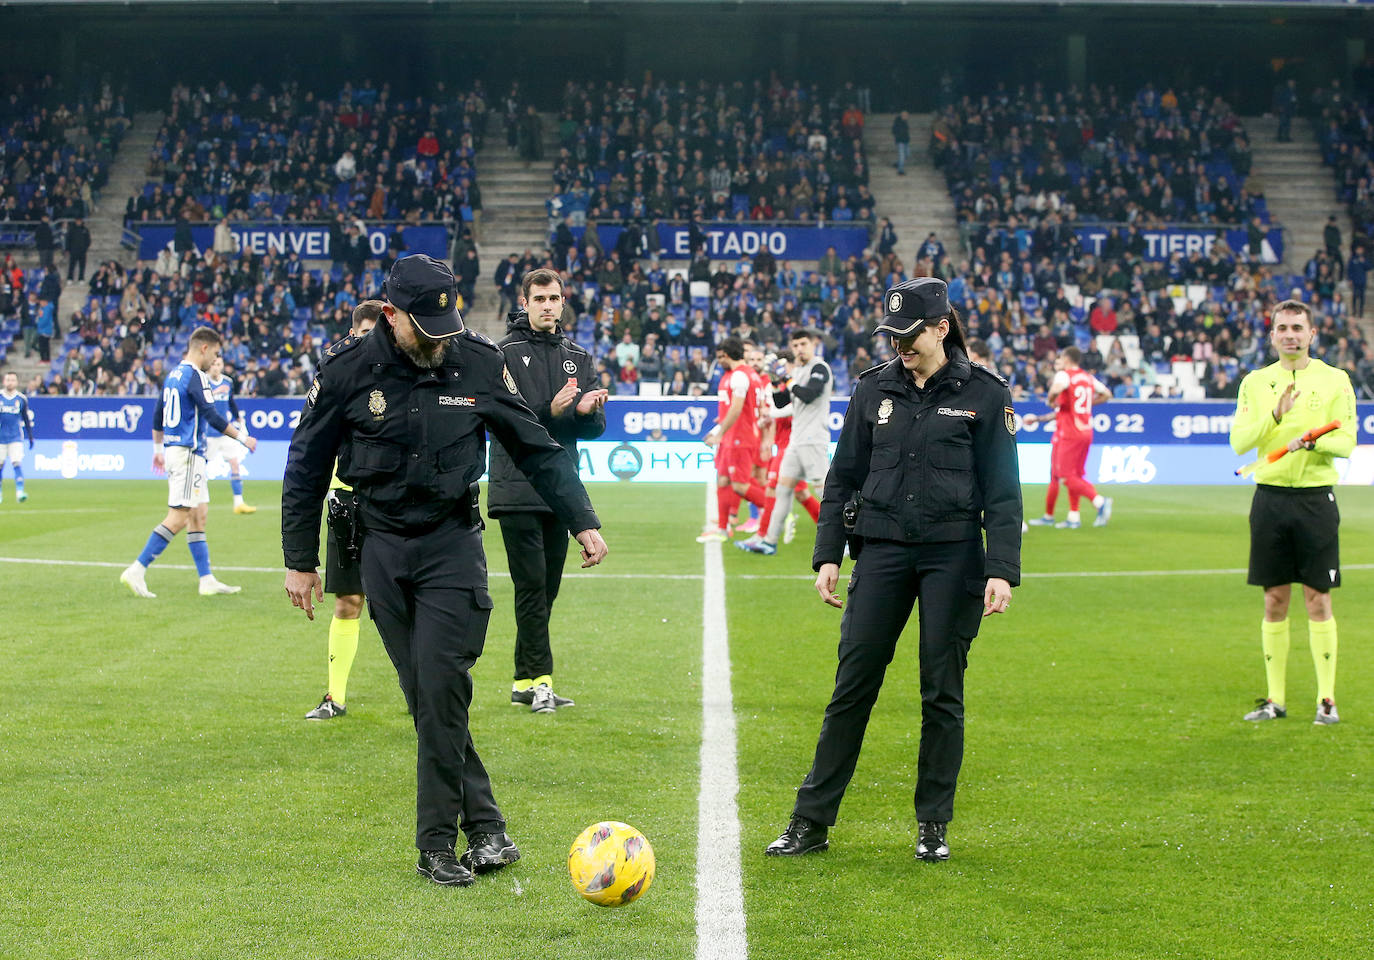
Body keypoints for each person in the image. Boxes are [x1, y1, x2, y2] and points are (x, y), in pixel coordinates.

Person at [281, 254, 608, 888]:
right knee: (432, 695)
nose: (438, 340)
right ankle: (485, 825)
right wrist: (301, 561)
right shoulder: (348, 371)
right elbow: (304, 466)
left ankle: (435, 843)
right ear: (391, 315)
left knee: (439, 682)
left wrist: (581, 517)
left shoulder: (479, 361)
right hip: (379, 545)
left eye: (446, 323)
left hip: (453, 542)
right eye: (423, 328)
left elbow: (534, 446)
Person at [766, 277, 1021, 863]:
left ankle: (933, 824)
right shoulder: (872, 388)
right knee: (851, 686)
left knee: (941, 692)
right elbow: (843, 476)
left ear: (941, 328)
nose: (901, 345)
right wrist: (827, 552)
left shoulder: (985, 394)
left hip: (953, 556)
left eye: (911, 335)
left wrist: (1001, 568)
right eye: (894, 334)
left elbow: (1004, 492)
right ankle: (810, 821)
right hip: (879, 551)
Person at [1228, 300, 1357, 725]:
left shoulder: (1335, 380)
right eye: (1282, 327)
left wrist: (1312, 441)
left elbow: (1347, 441)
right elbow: (1240, 443)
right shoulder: (1255, 382)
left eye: (1297, 327)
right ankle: (1275, 700)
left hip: (1316, 500)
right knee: (1274, 599)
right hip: (1270, 499)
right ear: (1271, 335)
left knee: (1318, 599)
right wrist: (1275, 415)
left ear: (1312, 334)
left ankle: (1326, 700)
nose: (1290, 334)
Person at [489, 268, 608, 714]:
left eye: (554, 298)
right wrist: (549, 409)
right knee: (532, 586)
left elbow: (591, 430)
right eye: (538, 298)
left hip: (561, 490)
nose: (547, 305)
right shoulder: (502, 353)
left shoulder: (578, 355)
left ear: (563, 302)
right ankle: (542, 681)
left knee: (547, 588)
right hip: (516, 484)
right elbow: (504, 422)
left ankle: (523, 679)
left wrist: (585, 412)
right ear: (525, 302)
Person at [120, 327, 258, 599]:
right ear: (204, 348)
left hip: (178, 452)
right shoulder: (196, 376)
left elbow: (158, 414)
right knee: (179, 516)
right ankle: (137, 569)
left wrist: (158, 448)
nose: (215, 360)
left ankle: (206, 580)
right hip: (187, 453)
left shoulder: (173, 375)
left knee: (198, 514)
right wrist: (243, 437)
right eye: (216, 353)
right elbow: (212, 415)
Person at [303, 300, 382, 721]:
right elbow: (309, 456)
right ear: (352, 336)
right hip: (346, 502)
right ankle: (335, 697)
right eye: (363, 336)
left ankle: (422, 691)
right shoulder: (334, 381)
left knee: (402, 605)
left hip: (391, 503)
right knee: (348, 601)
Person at [739, 328, 831, 555]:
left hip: (813, 440)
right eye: (796, 345)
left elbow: (808, 395)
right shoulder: (798, 372)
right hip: (796, 442)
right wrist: (774, 380)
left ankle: (851, 537)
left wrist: (787, 379)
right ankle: (769, 541)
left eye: (803, 344)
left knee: (826, 493)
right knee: (782, 491)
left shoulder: (820, 368)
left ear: (813, 344)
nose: (799, 349)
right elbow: (781, 403)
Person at [1024, 347, 1113, 529]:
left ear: (1067, 359)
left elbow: (1055, 390)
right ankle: (1074, 517)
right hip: (1086, 431)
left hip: (1070, 433)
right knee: (1076, 475)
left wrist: (1050, 400)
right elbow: (1107, 394)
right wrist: (1089, 404)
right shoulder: (1087, 377)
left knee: (1065, 477)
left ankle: (1099, 502)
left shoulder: (1064, 375)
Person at [696, 337, 768, 542]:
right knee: (724, 480)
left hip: (739, 437)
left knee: (740, 486)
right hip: (731, 437)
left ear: (726, 355)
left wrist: (719, 433)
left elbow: (737, 408)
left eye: (720, 357)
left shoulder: (740, 376)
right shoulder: (738, 375)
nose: (719, 362)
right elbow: (731, 409)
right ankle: (722, 528)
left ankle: (777, 511)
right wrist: (717, 430)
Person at [204, 356, 255, 515]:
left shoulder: (228, 382)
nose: (215, 367)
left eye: (218, 364)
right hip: (209, 432)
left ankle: (238, 503)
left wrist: (238, 419)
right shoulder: (203, 382)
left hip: (226, 431)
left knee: (234, 463)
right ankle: (196, 500)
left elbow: (231, 402)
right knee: (200, 466)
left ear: (222, 366)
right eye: (213, 364)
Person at [0, 371, 35, 503]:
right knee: (0, 465)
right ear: (4, 382)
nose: (10, 382)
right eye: (8, 380)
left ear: (17, 382)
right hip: (0, 438)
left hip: (15, 437)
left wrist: (31, 436)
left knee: (16, 463)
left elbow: (26, 419)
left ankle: (20, 492)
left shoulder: (21, 399)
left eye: (13, 380)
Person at [66, 217, 91, 282]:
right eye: (77, 221)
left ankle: (81, 278)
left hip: (82, 251)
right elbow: (68, 240)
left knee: (82, 266)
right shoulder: (71, 230)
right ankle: (70, 278)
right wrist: (68, 249)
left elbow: (88, 240)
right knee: (72, 265)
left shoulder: (85, 230)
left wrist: (85, 248)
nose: (78, 222)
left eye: (80, 221)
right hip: (73, 251)